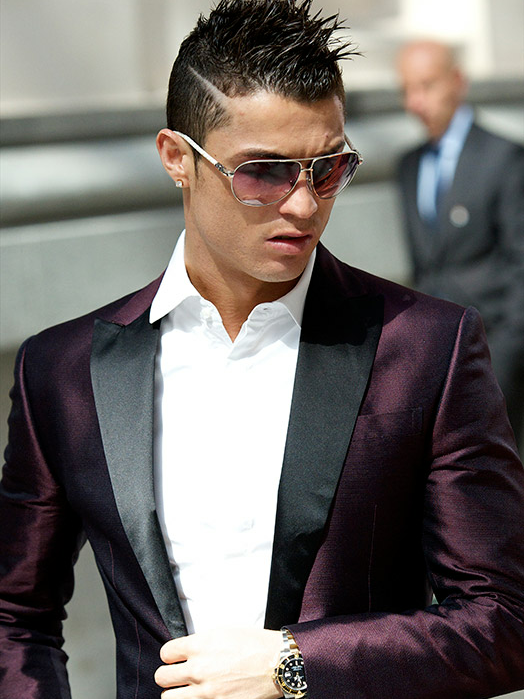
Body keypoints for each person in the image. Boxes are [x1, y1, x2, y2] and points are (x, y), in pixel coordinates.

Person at [1, 2, 523, 698]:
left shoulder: (429, 348)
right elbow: (16, 616)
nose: (304, 205)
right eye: (264, 172)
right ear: (178, 159)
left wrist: (295, 664)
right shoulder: (60, 372)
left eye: (327, 168)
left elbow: (503, 619)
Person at [396, 39, 524, 448]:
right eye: (406, 89)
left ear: (457, 81)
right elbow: (424, 268)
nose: (414, 102)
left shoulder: (505, 158)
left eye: (426, 85)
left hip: (496, 362)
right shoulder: (408, 165)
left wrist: (503, 367)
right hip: (434, 366)